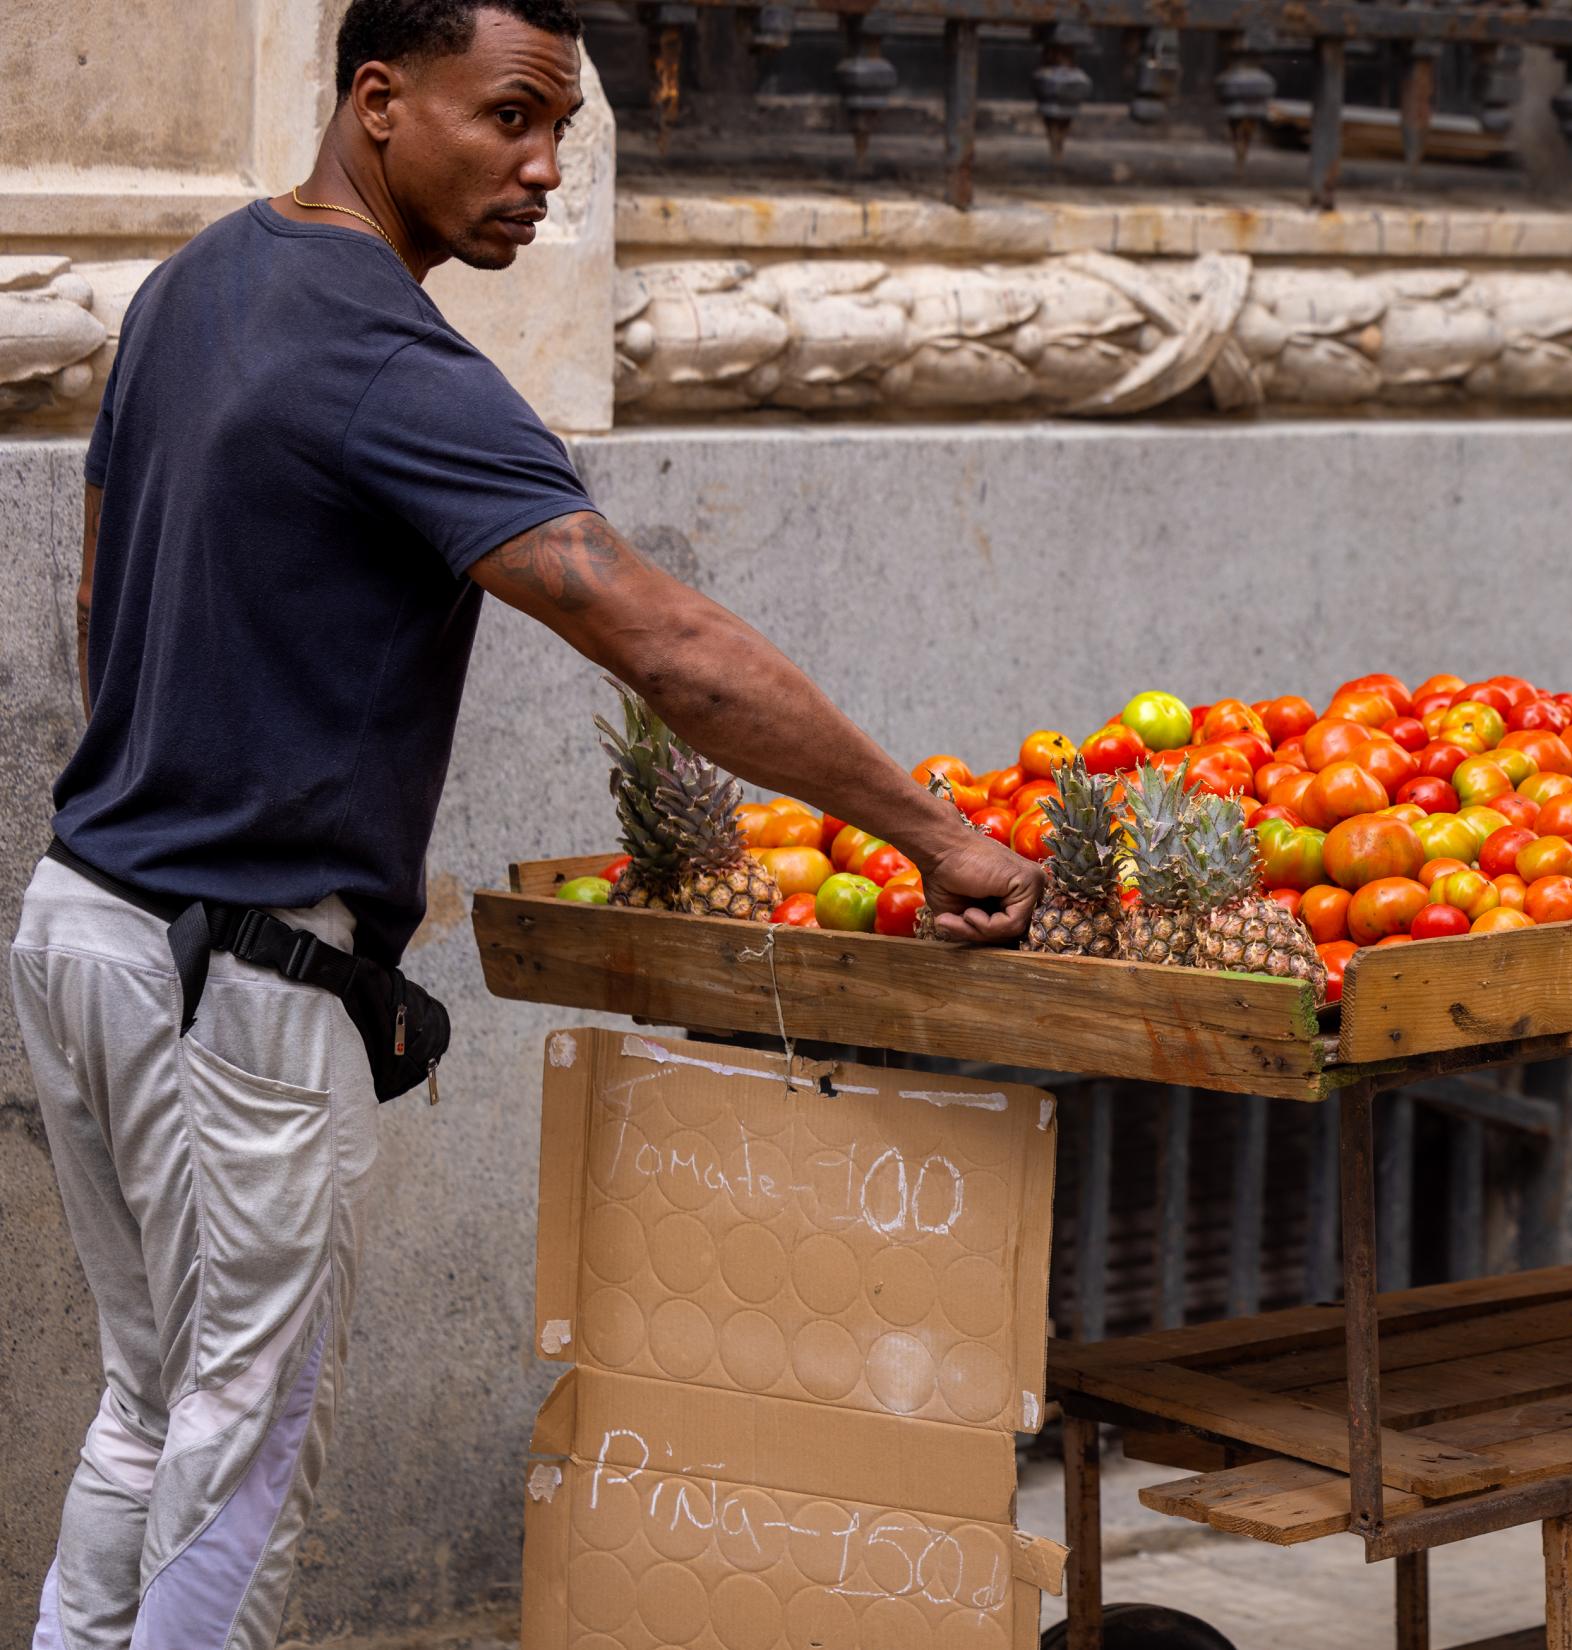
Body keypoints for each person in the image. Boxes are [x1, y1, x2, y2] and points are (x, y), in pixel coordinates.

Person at [11, 1, 1042, 1644]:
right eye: (508, 117)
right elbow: (669, 648)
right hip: (239, 985)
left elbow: (94, 606)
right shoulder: (390, 363)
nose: (545, 169)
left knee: (158, 1402)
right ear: (377, 101)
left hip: (86, 920)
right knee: (251, 1449)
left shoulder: (188, 286)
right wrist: (938, 834)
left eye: (558, 128)